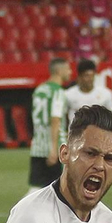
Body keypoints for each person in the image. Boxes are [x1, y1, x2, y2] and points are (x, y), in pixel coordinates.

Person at [29, 58, 69, 187]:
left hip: (37, 146)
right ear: (59, 71)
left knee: (37, 187)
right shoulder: (58, 92)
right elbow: (55, 119)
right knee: (56, 189)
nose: (70, 72)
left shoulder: (39, 90)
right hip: (54, 146)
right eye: (68, 69)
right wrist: (53, 149)